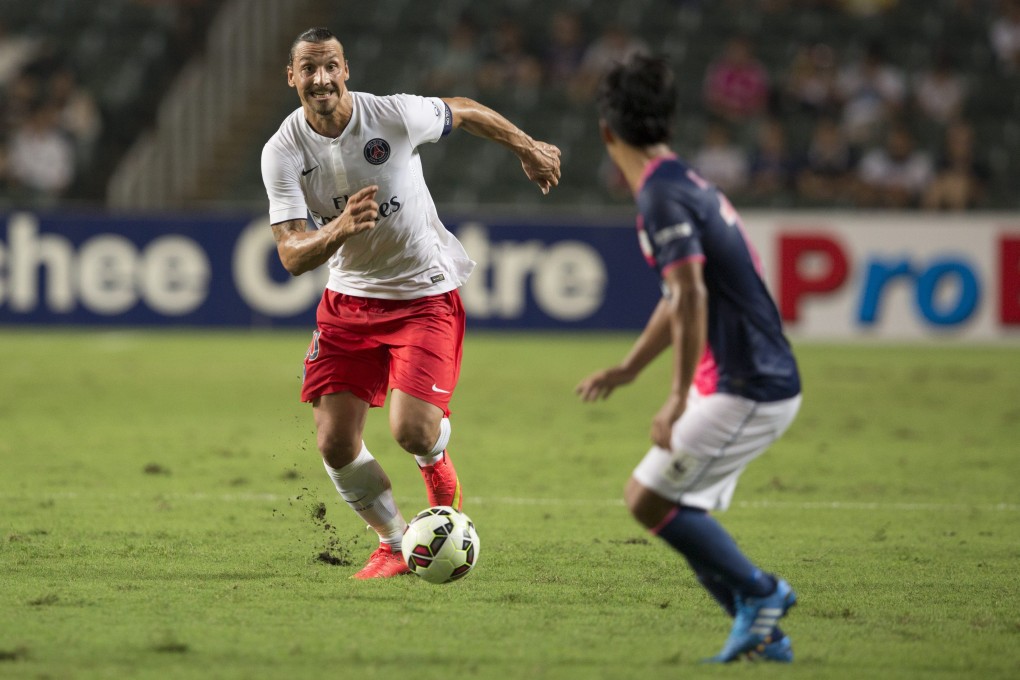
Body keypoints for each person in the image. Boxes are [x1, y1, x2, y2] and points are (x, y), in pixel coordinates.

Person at [261, 27, 560, 579]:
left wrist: (529, 148)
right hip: (348, 301)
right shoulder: (282, 150)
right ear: (292, 77)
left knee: (412, 430)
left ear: (345, 69)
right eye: (309, 69)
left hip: (423, 294)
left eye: (330, 67)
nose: (321, 79)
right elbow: (291, 255)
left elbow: (465, 110)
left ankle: (436, 464)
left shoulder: (393, 115)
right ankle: (395, 543)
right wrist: (340, 229)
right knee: (333, 442)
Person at [576, 54, 802, 663]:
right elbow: (681, 297)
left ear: (607, 132)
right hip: (744, 377)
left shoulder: (660, 198)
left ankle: (762, 594)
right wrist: (629, 369)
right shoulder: (682, 181)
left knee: (647, 498)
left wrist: (675, 397)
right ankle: (762, 635)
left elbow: (692, 293)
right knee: (678, 509)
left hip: (750, 384)